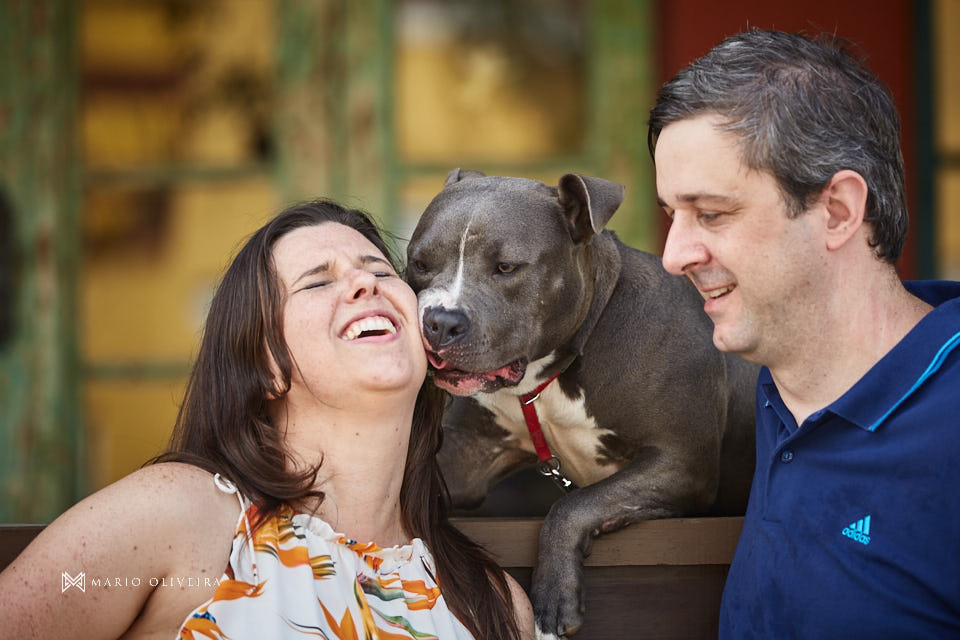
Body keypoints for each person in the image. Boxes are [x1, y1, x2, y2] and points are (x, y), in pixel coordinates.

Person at [0, 200, 535, 639]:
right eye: (316, 282)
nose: (364, 285)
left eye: (379, 271)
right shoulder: (177, 518)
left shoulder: (492, 602)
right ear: (268, 365)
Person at [648, 29, 960, 638]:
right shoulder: (769, 389)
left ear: (838, 211)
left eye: (711, 213)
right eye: (672, 216)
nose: (673, 254)